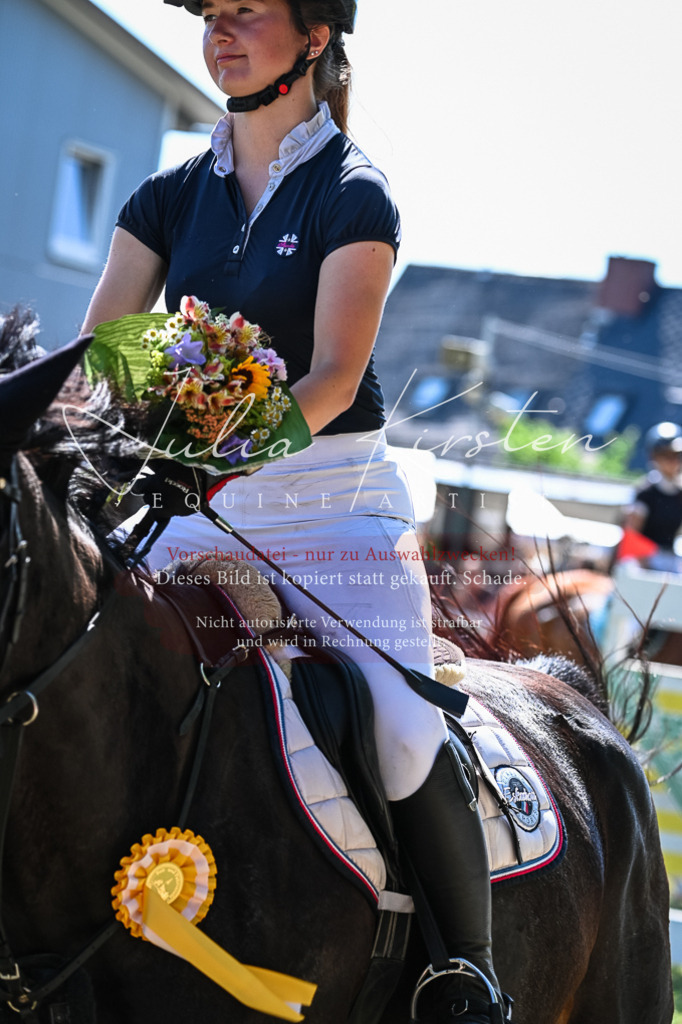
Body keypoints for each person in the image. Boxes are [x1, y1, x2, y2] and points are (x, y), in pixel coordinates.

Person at [82, 2, 508, 1019]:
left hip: (332, 508)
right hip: (192, 501)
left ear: (314, 37)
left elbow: (327, 378)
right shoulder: (165, 195)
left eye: (245, 13)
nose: (218, 32)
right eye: (211, 16)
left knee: (403, 725)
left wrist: (208, 455)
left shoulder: (353, 192)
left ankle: (464, 970)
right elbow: (97, 358)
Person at [621, 422, 682, 572]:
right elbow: (631, 534)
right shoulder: (645, 493)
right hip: (642, 561)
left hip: (670, 560)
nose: (673, 461)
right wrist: (647, 569)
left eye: (677, 456)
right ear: (655, 456)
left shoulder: (679, 492)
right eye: (667, 455)